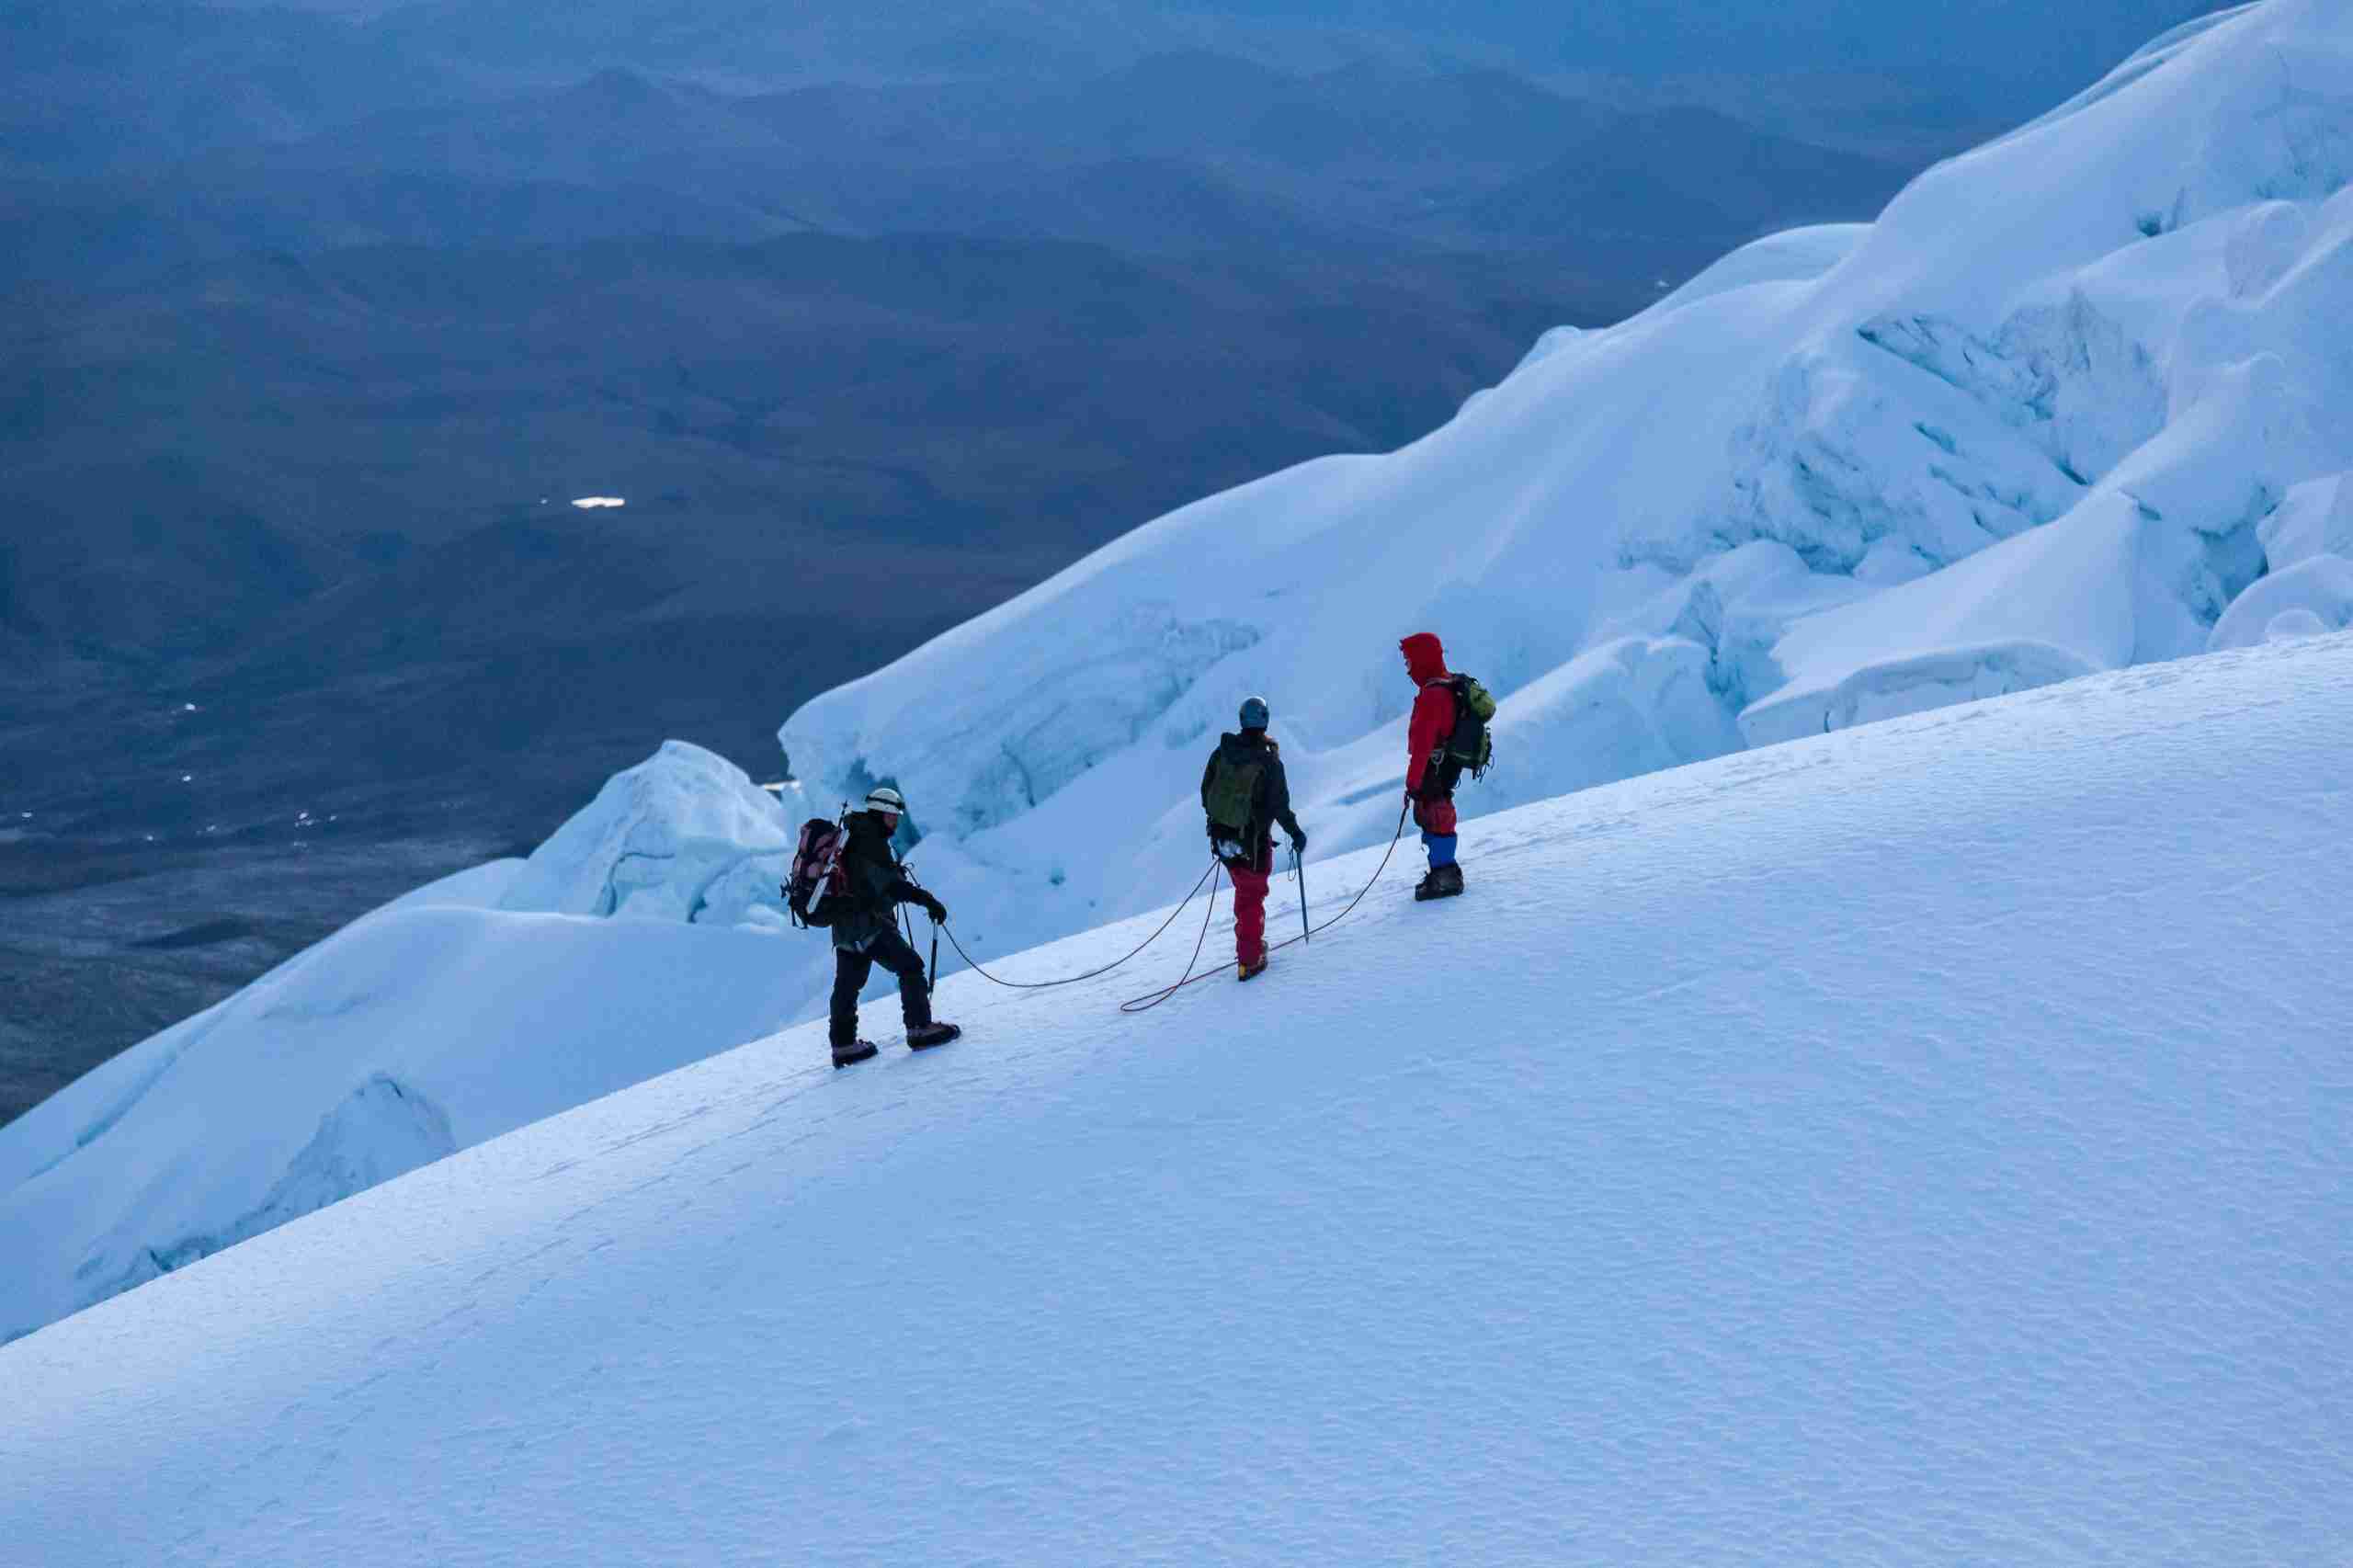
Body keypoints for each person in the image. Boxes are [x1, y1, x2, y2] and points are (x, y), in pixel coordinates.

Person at [828, 786, 961, 1066]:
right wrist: (927, 900)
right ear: (882, 813)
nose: (896, 821)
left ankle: (843, 1045)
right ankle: (919, 1028)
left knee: (847, 986)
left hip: (843, 927)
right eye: (893, 816)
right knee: (910, 966)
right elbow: (890, 886)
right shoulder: (870, 840)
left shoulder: (851, 835)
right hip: (870, 924)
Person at [1200, 696, 1307, 981]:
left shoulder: (1222, 753)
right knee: (1251, 898)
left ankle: (1250, 945)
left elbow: (1205, 793)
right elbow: (1279, 807)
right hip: (1253, 844)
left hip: (1224, 841)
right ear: (1265, 721)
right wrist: (1295, 832)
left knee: (1244, 893)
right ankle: (1250, 959)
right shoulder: (1269, 762)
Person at [1400, 631, 1465, 901]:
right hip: (1446, 764)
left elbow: (1423, 746)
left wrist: (1413, 782)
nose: (1408, 670)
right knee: (1440, 812)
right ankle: (1444, 871)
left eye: (1409, 662)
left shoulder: (1432, 696)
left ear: (1423, 660)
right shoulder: (1448, 684)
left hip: (1434, 767)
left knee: (1434, 813)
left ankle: (1443, 877)